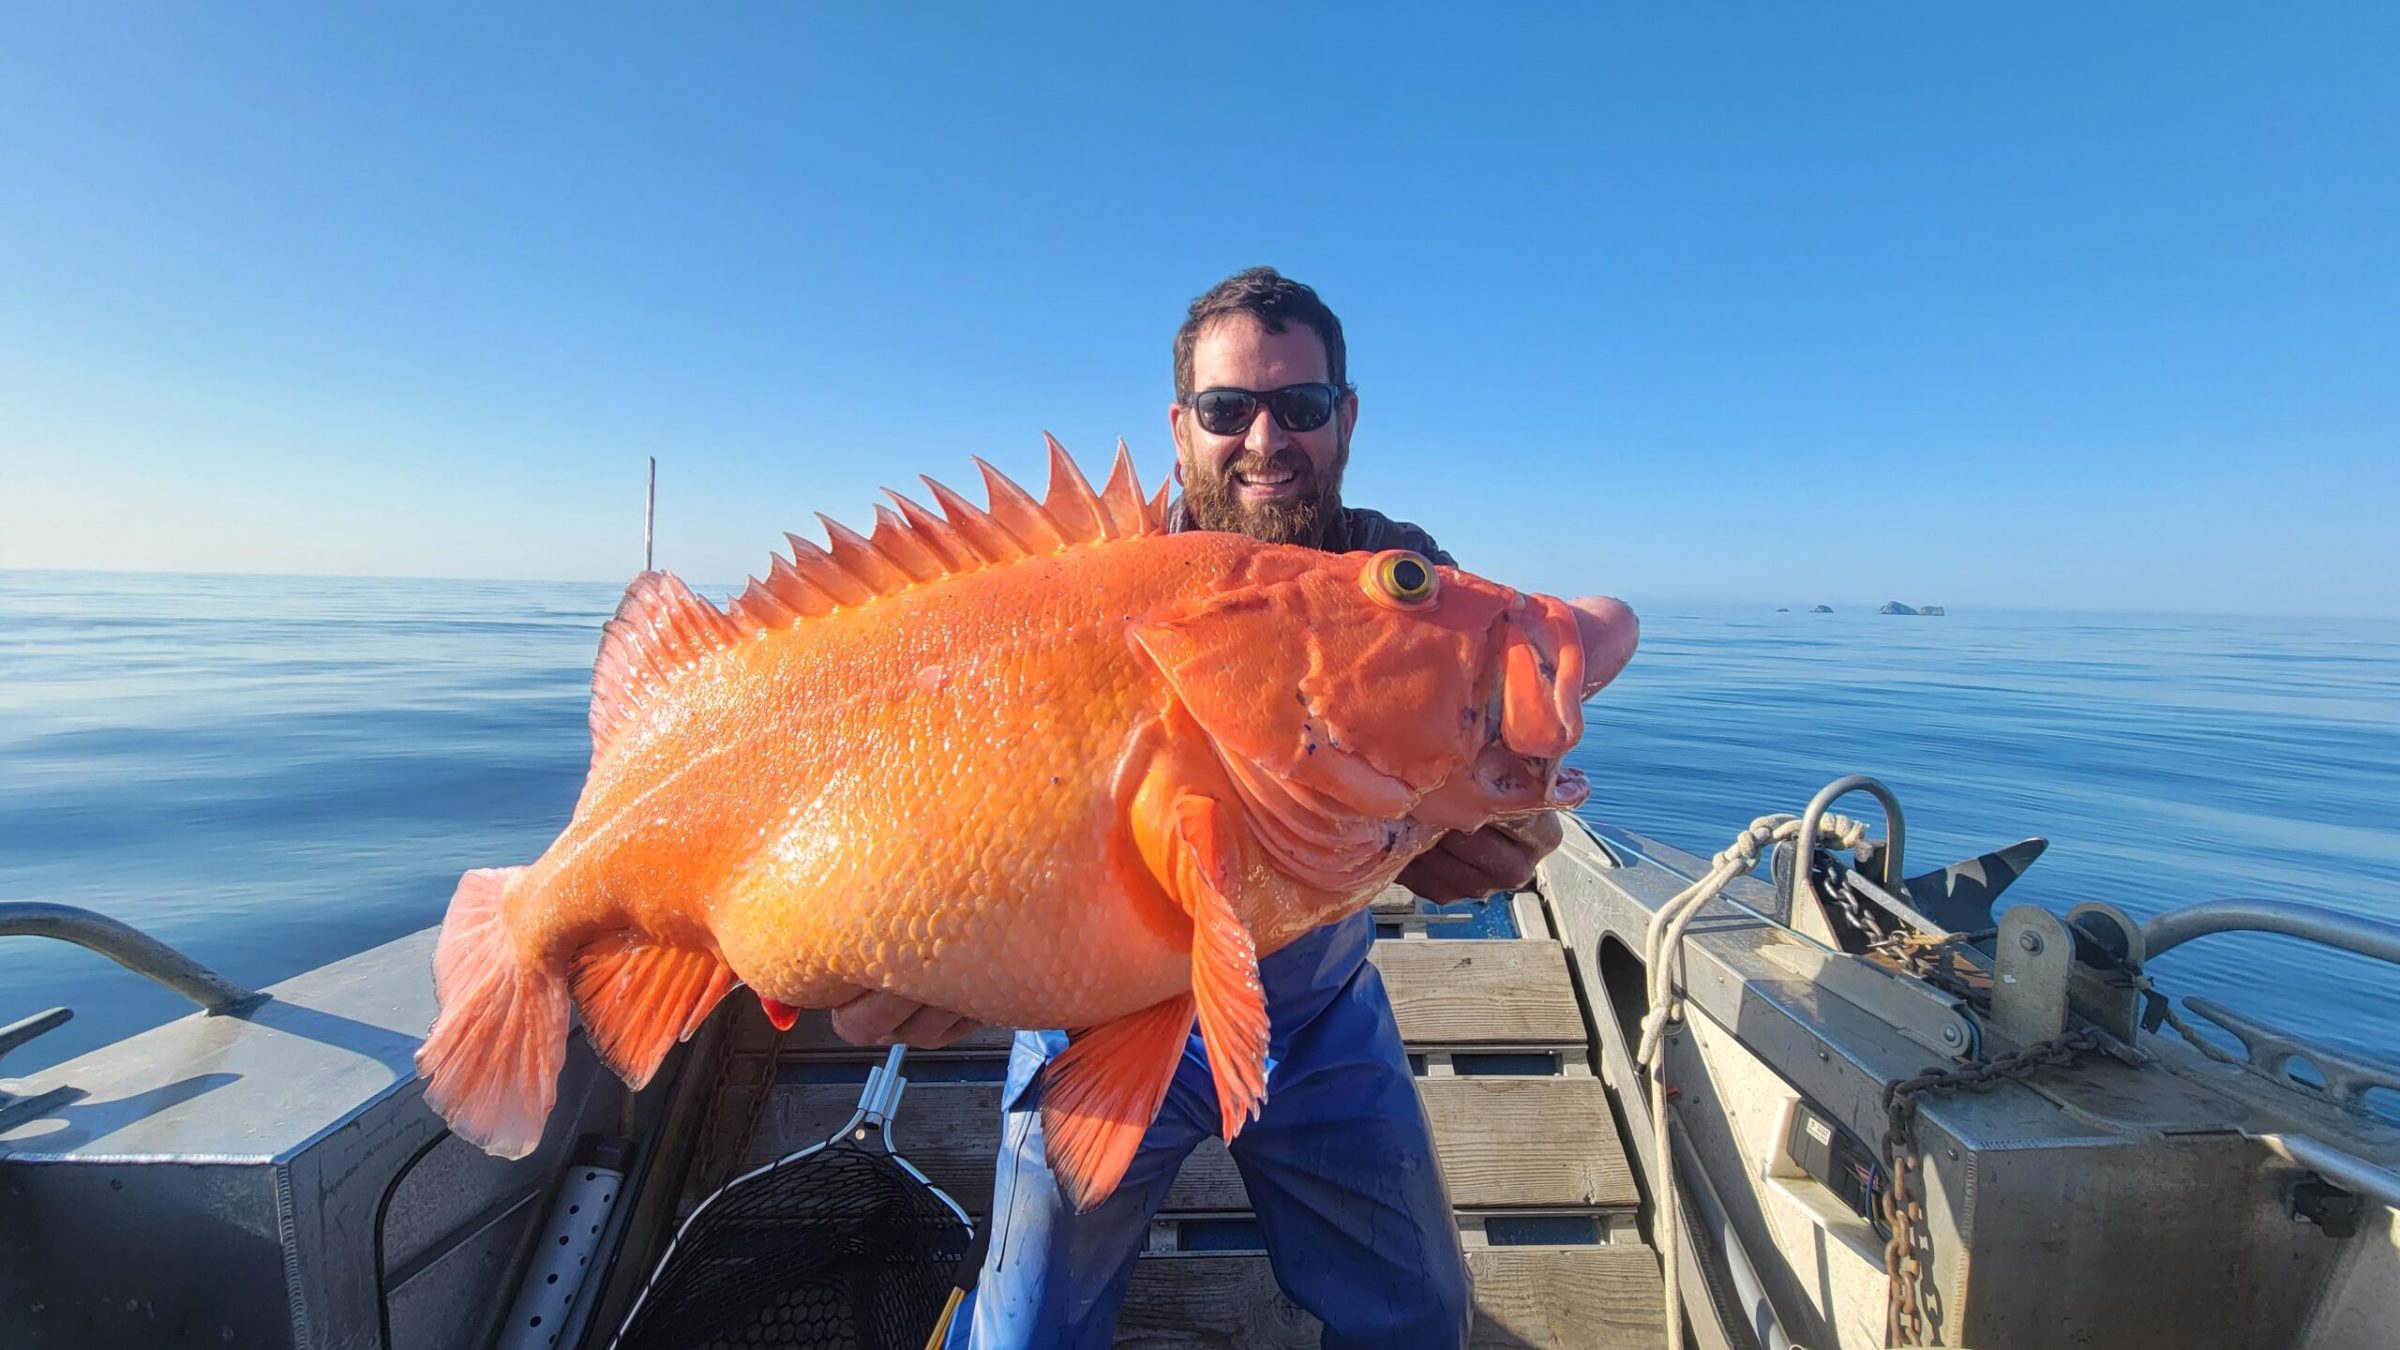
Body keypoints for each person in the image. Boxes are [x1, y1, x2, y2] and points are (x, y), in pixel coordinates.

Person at [841, 268, 1567, 1348]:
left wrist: (1484, 829)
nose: (1267, 439)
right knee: (1025, 1327)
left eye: (1302, 406)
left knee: (1421, 1318)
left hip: (1317, 1014)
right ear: (1182, 429)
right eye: (1230, 410)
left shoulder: (1400, 582)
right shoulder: (1093, 580)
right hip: (1098, 1012)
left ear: (1346, 419)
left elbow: (1462, 765)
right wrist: (942, 925)